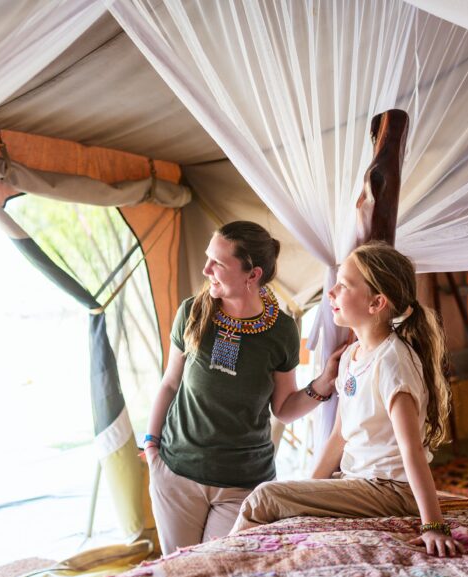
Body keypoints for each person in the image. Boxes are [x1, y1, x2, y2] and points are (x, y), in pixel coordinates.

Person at [232, 241, 464, 558]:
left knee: (265, 497)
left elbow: (411, 451)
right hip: (361, 482)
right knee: (279, 499)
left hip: (390, 489)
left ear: (376, 303)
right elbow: (340, 436)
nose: (331, 292)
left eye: (344, 286)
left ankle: (226, 563)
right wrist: (306, 493)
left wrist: (433, 525)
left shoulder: (393, 363)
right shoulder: (352, 356)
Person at [143, 221, 344, 555]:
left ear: (253, 274)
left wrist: (321, 384)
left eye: (218, 263)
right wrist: (151, 448)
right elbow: (169, 383)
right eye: (209, 258)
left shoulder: (280, 331)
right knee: (178, 572)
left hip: (243, 484)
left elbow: (283, 409)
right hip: (176, 475)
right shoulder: (192, 312)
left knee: (224, 568)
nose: (206, 269)